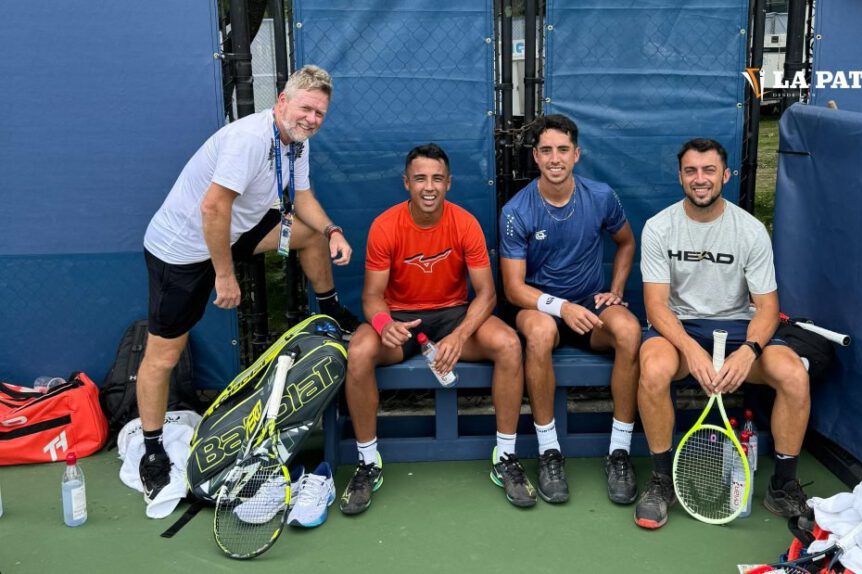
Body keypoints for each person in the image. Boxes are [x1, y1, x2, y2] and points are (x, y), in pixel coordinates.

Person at [137, 65, 359, 509]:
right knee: (163, 355)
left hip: (237, 232)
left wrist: (333, 229)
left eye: (320, 112)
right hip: (184, 251)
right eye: (305, 108)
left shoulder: (297, 142)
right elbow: (213, 208)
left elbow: (304, 197)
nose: (312, 118)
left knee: (310, 232)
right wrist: (224, 275)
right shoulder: (250, 139)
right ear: (281, 102)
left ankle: (330, 307)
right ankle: (152, 448)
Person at [339, 143, 534, 514]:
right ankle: (368, 463)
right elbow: (371, 297)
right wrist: (384, 324)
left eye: (437, 179)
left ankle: (505, 457)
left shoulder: (465, 223)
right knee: (359, 351)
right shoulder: (385, 226)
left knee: (509, 344)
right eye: (420, 179)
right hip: (402, 319)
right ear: (406, 183)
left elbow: (487, 294)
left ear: (449, 183)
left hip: (454, 315)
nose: (429, 187)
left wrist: (459, 336)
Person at [634, 138, 811, 530]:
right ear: (680, 177)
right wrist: (691, 352)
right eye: (692, 171)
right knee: (653, 367)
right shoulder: (659, 228)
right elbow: (656, 307)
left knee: (794, 374)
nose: (701, 179)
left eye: (709, 170)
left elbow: (767, 307)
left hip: (738, 329)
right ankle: (663, 481)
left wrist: (749, 350)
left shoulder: (749, 230)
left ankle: (783, 486)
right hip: (681, 329)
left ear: (725, 176)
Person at [499, 115, 641, 505]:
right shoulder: (517, 210)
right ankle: (549, 452)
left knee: (629, 331)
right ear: (536, 156)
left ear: (576, 154)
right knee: (541, 333)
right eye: (546, 150)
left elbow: (626, 243)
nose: (555, 158)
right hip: (540, 309)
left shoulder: (601, 196)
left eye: (563, 150)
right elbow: (513, 289)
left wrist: (614, 290)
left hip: (591, 309)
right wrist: (560, 307)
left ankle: (619, 452)